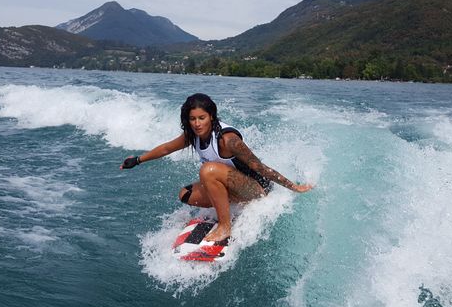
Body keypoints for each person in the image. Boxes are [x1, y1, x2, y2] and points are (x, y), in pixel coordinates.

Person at [120, 93, 313, 244]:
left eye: (201, 118)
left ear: (211, 116)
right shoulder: (192, 135)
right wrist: (137, 160)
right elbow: (167, 148)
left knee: (208, 171)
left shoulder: (227, 140)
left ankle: (224, 226)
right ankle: (233, 208)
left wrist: (294, 187)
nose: (197, 123)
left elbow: (261, 168)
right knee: (185, 195)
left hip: (257, 189)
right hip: (235, 188)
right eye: (192, 119)